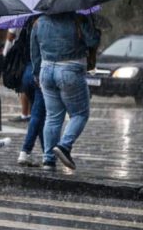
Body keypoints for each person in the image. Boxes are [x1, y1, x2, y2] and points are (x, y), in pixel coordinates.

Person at [31, 13, 100, 171]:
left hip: (46, 69)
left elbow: (34, 50)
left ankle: (48, 159)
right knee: (80, 114)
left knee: (53, 117)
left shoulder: (39, 22)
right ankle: (64, 146)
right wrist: (92, 27)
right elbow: (92, 41)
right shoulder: (78, 19)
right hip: (70, 69)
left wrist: (36, 73)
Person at [14, 17, 45, 167]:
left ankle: (47, 152)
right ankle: (25, 151)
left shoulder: (27, 25)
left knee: (39, 115)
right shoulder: (43, 26)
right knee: (38, 115)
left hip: (26, 73)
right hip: (37, 73)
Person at [4, 28, 32, 122]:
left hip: (22, 55)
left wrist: (5, 54)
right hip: (30, 53)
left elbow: (10, 35)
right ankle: (30, 112)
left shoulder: (18, 17)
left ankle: (25, 113)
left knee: (23, 85)